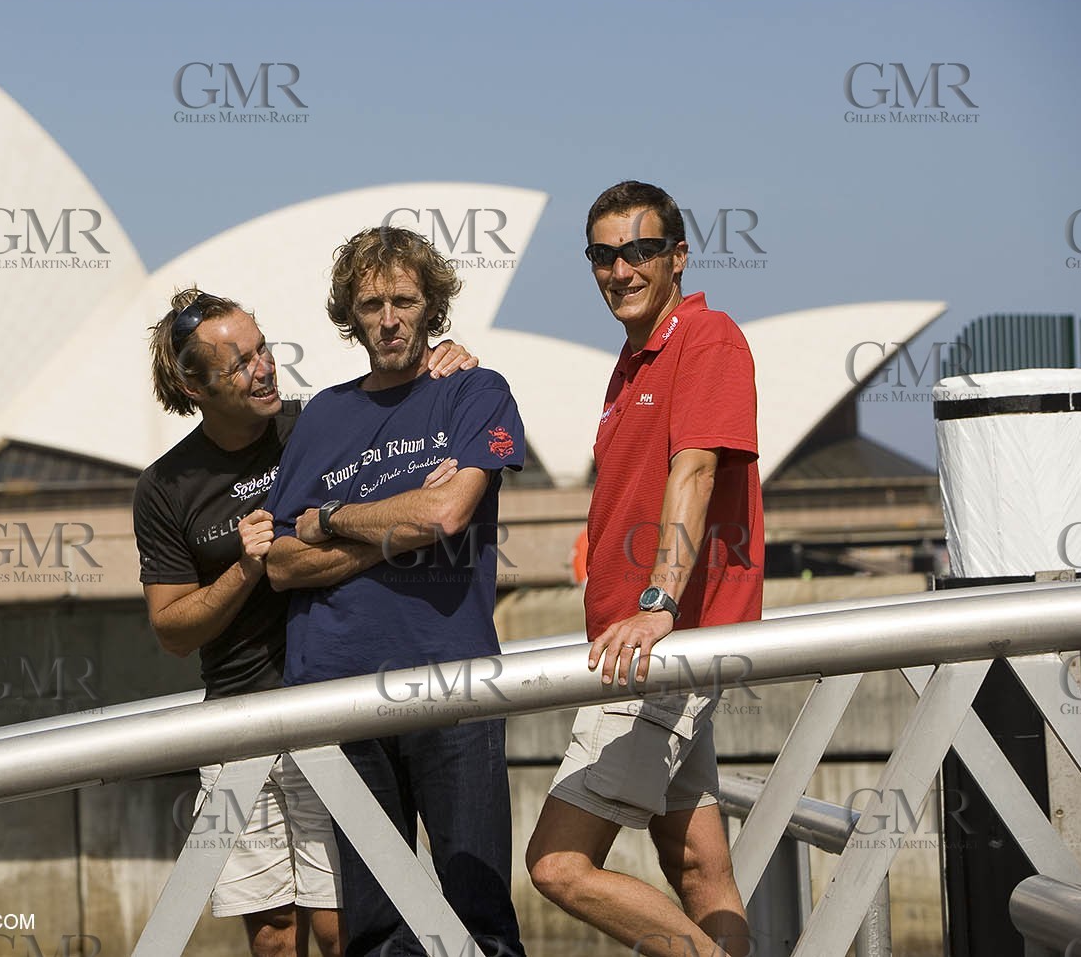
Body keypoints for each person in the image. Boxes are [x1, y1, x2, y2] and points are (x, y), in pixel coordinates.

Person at [133, 287, 476, 957]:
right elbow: (172, 629)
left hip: (329, 704)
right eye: (239, 363)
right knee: (273, 936)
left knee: (341, 925)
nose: (264, 368)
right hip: (236, 719)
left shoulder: (317, 424)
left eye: (263, 349)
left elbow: (406, 451)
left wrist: (450, 368)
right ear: (192, 383)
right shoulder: (164, 486)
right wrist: (247, 568)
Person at [263, 227, 526, 957]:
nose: (388, 318)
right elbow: (282, 565)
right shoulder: (321, 417)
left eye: (404, 300)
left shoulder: (477, 391)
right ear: (350, 314)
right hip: (337, 693)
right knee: (376, 931)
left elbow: (446, 515)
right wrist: (393, 526)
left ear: (431, 305)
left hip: (451, 685)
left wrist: (331, 520)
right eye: (371, 302)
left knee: (480, 921)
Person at [524, 181, 763, 957]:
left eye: (640, 249)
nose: (620, 268)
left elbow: (693, 474)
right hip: (648, 649)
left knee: (557, 863)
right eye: (603, 253)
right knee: (696, 866)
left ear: (678, 256)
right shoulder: (629, 365)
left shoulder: (708, 337)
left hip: (657, 650)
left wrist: (658, 602)